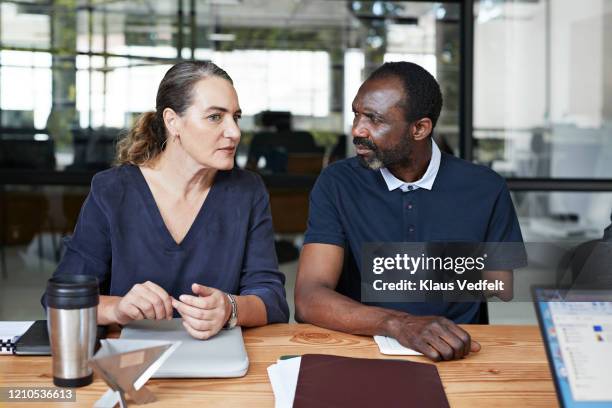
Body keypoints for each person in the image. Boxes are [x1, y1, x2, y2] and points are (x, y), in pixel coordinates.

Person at [295, 62, 525, 362]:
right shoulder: (337, 182)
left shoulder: (486, 187)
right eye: (357, 114)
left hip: (456, 351)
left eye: (374, 119)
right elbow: (308, 298)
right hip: (361, 348)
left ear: (419, 128)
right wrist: (398, 323)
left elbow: (499, 283)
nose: (357, 130)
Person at [44, 61, 289, 339]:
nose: (234, 132)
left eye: (236, 117)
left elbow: (272, 299)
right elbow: (58, 300)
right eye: (215, 117)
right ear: (173, 121)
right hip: (130, 364)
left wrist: (230, 308)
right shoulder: (113, 190)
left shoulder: (247, 191)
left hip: (217, 359)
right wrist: (118, 309)